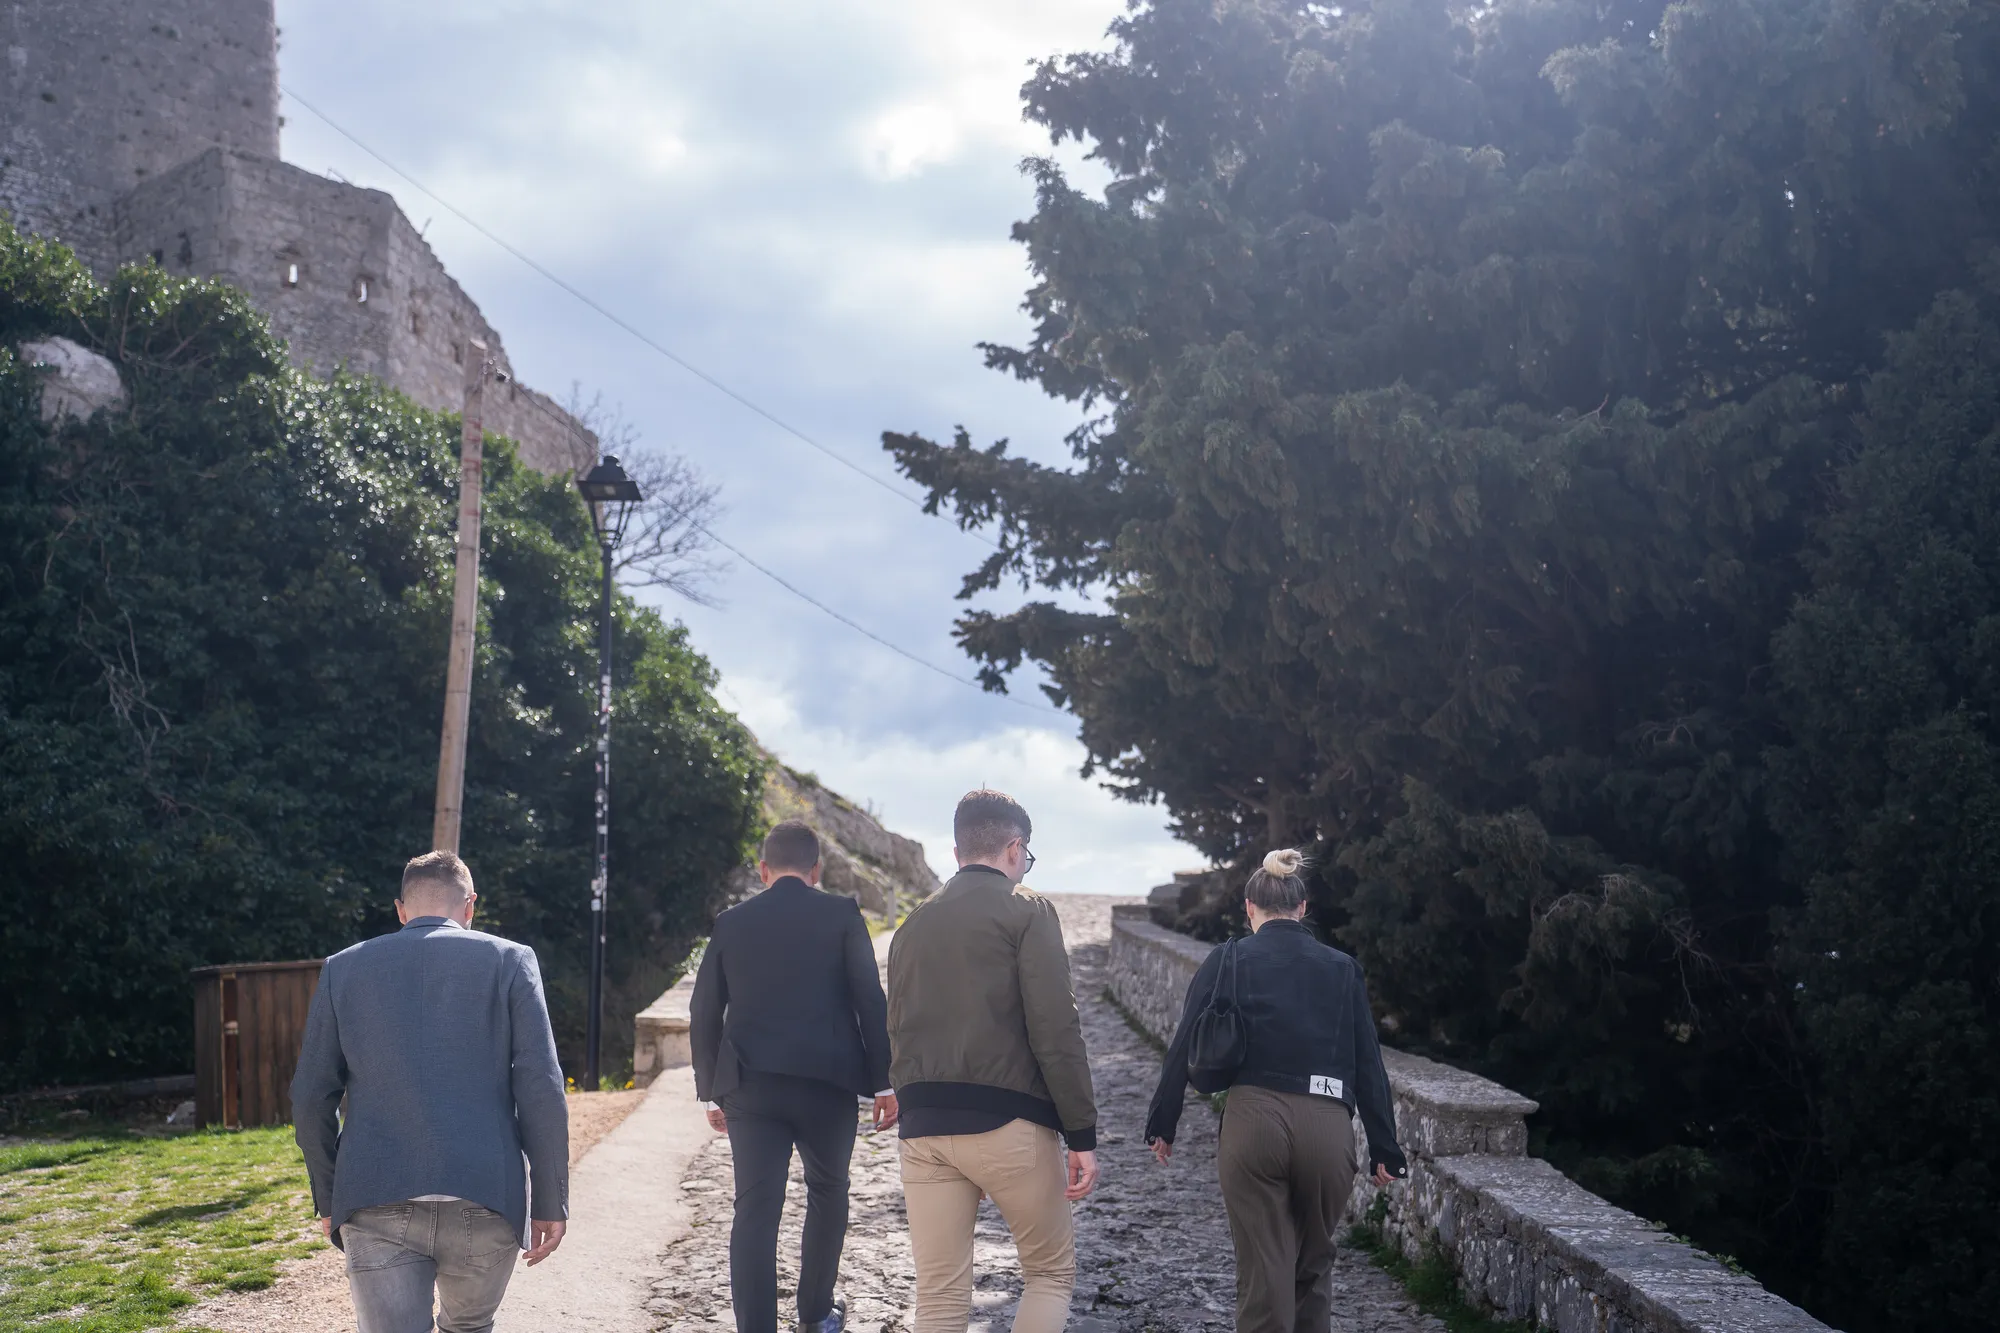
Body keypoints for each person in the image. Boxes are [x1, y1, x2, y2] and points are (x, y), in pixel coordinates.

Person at [292, 851, 569, 1333]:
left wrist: (329, 1193)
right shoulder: (511, 961)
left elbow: (311, 1094)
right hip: (484, 1192)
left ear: (401, 909)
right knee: (470, 1327)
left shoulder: (343, 968)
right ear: (471, 905)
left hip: (375, 1193)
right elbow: (541, 1087)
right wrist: (549, 1199)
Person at [1143, 848, 1407, 1333]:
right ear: (1302, 907)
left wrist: (1164, 1121)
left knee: (1265, 1271)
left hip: (1253, 1121)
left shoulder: (1228, 960)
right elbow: (1369, 1061)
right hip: (1327, 1125)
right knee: (1313, 1265)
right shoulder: (1342, 968)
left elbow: (1184, 1043)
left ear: (1249, 906)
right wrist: (1385, 1148)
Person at [886, 788, 1098, 1333]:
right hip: (1010, 1122)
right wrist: (1081, 1134)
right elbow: (1055, 1029)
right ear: (1015, 848)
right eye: (1026, 858)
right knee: (1049, 1273)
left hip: (924, 1128)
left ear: (957, 851)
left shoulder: (911, 925)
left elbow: (898, 1029)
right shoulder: (1026, 910)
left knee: (939, 1296)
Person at [690, 821, 896, 1333]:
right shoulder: (843, 914)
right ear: (816, 870)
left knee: (755, 1210)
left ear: (764, 871)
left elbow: (704, 1010)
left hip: (751, 1089)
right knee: (829, 1192)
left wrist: (710, 1091)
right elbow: (870, 998)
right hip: (828, 1087)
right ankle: (815, 1314)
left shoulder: (731, 922)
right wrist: (884, 1083)